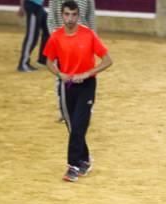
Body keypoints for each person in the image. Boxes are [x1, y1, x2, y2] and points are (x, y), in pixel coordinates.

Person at [43, 0, 112, 183]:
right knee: (73, 127)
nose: (70, 18)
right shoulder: (56, 37)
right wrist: (60, 74)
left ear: (78, 15)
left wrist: (88, 73)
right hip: (67, 86)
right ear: (62, 15)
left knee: (80, 124)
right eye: (67, 14)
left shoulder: (88, 35)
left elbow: (107, 60)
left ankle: (72, 166)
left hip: (87, 85)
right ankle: (85, 159)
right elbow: (48, 61)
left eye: (74, 15)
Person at [16, 0, 49, 72]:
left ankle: (42, 60)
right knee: (32, 37)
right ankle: (23, 64)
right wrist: (21, 7)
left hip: (39, 7)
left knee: (48, 29)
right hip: (32, 6)